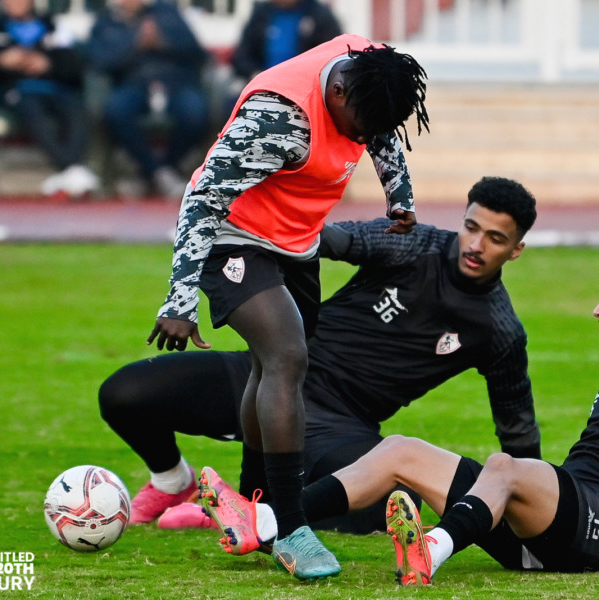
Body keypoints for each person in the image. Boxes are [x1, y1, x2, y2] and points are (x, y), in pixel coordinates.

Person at [200, 220, 599, 583]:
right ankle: (272, 521)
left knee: (506, 467)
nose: (598, 308)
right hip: (556, 523)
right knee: (399, 450)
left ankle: (431, 549)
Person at [100, 176, 541, 537]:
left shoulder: (499, 330)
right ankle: (175, 483)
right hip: (273, 372)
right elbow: (328, 239)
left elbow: (517, 429)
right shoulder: (415, 244)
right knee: (124, 394)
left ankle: (245, 509)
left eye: (495, 238)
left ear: (516, 250)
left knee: (384, 509)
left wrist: (538, 504)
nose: (476, 245)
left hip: (340, 426)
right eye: (471, 227)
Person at [144, 33, 429, 580]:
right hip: (233, 235)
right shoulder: (278, 118)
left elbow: (384, 128)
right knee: (286, 356)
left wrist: (399, 194)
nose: (367, 138)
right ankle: (293, 527)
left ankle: (255, 509)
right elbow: (203, 199)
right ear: (337, 91)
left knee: (269, 367)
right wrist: (180, 297)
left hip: (296, 240)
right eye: (361, 126)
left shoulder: (370, 68)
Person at [0, 0, 99, 198]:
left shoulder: (52, 26)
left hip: (54, 89)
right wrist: (0, 60)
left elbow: (75, 68)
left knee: (76, 110)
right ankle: (73, 169)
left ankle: (68, 171)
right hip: (16, 91)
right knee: (31, 110)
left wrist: (47, 64)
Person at [87, 0, 211, 198]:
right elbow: (98, 61)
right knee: (115, 111)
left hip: (175, 82)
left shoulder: (167, 14)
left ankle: (154, 171)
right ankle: (160, 174)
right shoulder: (106, 22)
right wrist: (134, 44)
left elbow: (197, 53)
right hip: (132, 83)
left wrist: (163, 41)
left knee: (195, 113)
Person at [221, 0, 343, 117]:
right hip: (261, 87)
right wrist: (255, 75)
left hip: (305, 93)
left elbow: (333, 57)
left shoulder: (320, 16)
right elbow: (242, 55)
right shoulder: (261, 14)